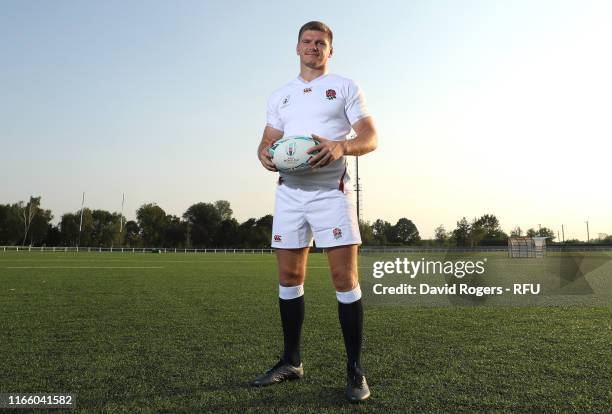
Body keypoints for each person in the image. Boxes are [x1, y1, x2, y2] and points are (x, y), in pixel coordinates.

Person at [252, 21, 378, 403]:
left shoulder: (344, 87)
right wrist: (263, 153)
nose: (313, 47)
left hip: (330, 193)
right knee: (289, 277)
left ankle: (355, 369)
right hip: (290, 194)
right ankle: (291, 361)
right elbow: (267, 141)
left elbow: (370, 137)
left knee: (344, 278)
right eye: (307, 41)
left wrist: (342, 147)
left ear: (330, 50)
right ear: (297, 48)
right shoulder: (281, 96)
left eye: (320, 42)